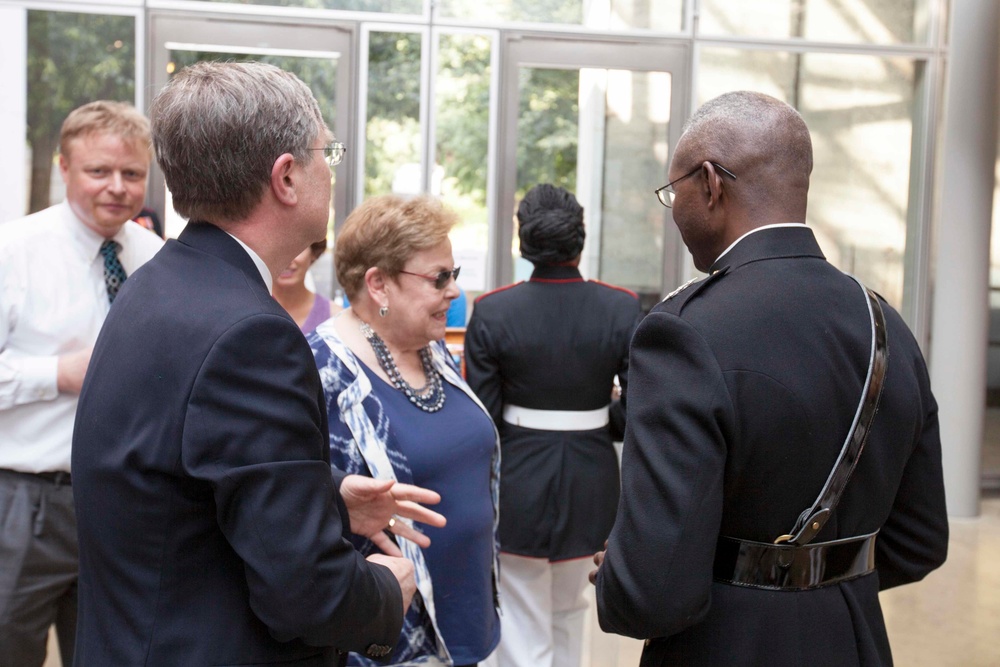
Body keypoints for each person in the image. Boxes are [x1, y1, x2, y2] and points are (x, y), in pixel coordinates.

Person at [71, 61, 420, 666]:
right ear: (286, 177)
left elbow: (180, 474)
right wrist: (386, 590)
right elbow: (306, 594)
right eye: (325, 153)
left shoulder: (158, 283)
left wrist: (327, 496)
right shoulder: (251, 334)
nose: (330, 172)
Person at [592, 90, 949, 665]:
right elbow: (920, 542)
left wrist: (618, 577)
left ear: (709, 184)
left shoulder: (682, 334)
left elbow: (652, 596)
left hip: (725, 645)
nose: (674, 208)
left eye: (672, 191)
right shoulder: (886, 323)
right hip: (854, 637)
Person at [0, 100, 164, 667]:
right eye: (99, 171)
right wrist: (57, 374)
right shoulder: (12, 251)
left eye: (133, 173)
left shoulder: (156, 260)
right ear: (64, 168)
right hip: (24, 505)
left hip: (124, 505)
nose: (117, 187)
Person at [308, 194, 501, 667]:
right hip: (393, 636)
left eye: (453, 274)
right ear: (378, 284)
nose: (453, 290)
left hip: (464, 615)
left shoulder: (431, 350)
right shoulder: (321, 369)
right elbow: (298, 503)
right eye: (439, 278)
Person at [464, 184, 640, 667]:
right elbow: (643, 408)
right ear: (579, 242)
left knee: (520, 616)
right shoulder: (620, 306)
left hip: (518, 478)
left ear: (524, 245)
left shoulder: (494, 309)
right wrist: (603, 421)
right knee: (571, 609)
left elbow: (483, 417)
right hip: (592, 480)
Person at [275, 238, 343, 334]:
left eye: (297, 249)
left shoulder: (335, 318)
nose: (287, 260)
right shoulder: (248, 309)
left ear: (314, 253)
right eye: (277, 250)